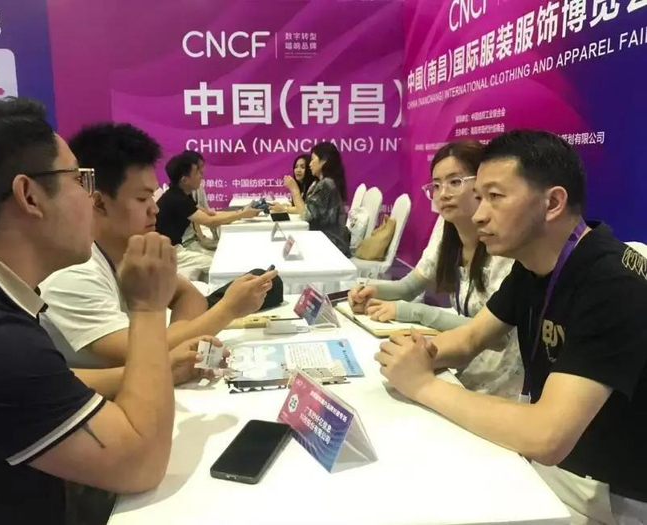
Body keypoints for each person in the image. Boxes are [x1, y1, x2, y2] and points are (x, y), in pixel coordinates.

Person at [0, 97, 210, 522]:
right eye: (79, 180)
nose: (91, 200)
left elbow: (43, 380)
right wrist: (146, 308)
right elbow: (140, 462)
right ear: (29, 196)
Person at [376, 130, 647, 522]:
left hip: (611, 496)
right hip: (564, 470)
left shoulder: (611, 283)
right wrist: (416, 352)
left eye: (495, 197)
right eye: (479, 197)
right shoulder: (534, 263)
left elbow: (546, 435)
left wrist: (422, 384)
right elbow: (470, 338)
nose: (479, 214)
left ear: (552, 202)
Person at [40, 123, 277, 377]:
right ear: (98, 203)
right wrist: (227, 309)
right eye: (142, 199)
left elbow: (188, 296)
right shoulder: (73, 272)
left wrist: (175, 341)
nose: (155, 209)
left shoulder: (129, 252)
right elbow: (140, 354)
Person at [349, 141, 522, 398]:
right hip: (458, 359)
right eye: (436, 185)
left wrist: (414, 312)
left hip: (497, 376)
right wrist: (372, 290)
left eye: (455, 182)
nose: (443, 194)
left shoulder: (505, 245)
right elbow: (410, 286)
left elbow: (495, 337)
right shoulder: (446, 226)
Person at [156, 150, 261, 266]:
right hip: (169, 251)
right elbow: (210, 221)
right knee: (218, 264)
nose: (201, 176)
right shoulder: (177, 199)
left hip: (175, 247)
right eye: (197, 173)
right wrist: (241, 214)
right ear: (185, 180)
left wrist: (242, 212)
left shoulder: (182, 194)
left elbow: (209, 215)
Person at [271, 142, 351, 256]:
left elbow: (305, 215)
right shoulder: (321, 183)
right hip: (323, 239)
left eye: (313, 159)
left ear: (323, 161)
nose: (310, 164)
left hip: (331, 244)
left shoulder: (326, 185)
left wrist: (294, 190)